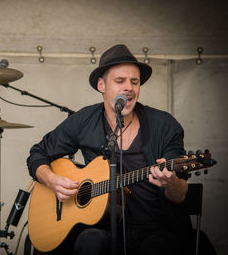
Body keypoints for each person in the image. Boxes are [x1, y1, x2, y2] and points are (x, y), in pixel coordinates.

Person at [27, 44, 194, 255]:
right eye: (120, 81)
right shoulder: (84, 120)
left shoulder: (165, 125)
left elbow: (179, 195)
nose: (129, 88)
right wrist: (52, 180)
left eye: (134, 82)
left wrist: (172, 183)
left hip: (153, 229)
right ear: (101, 85)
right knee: (89, 243)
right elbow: (38, 153)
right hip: (102, 226)